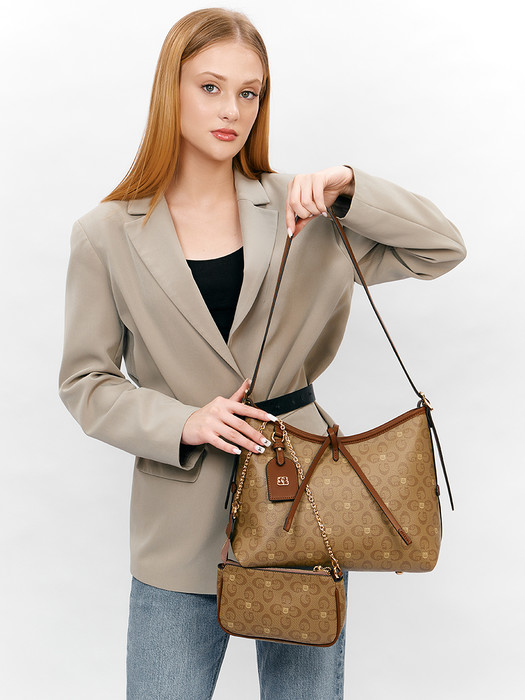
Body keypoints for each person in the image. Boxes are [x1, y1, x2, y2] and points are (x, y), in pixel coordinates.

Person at [58, 7, 466, 699]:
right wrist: (183, 422)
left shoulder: (305, 211)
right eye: (210, 87)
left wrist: (350, 186)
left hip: (302, 504)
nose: (232, 110)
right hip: (179, 526)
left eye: (249, 93)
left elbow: (441, 249)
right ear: (170, 91)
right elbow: (86, 381)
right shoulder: (105, 233)